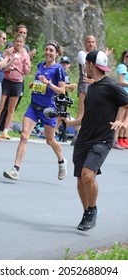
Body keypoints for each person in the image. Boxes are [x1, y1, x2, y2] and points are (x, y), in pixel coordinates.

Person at [62, 50, 128, 231]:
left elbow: (126, 103)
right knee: (80, 180)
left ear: (92, 65)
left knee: (87, 175)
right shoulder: (91, 88)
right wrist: (70, 123)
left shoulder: (112, 86)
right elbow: (86, 117)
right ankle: (86, 212)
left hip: (102, 140)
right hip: (83, 139)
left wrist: (122, 121)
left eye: (86, 65)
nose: (84, 68)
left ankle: (92, 209)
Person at [3, 40, 67, 181]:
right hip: (34, 106)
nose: (48, 52)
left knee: (50, 140)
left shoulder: (58, 69)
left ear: (56, 54)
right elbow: (39, 83)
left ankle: (62, 161)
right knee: (24, 136)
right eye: (47, 49)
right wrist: (35, 84)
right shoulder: (40, 65)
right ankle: (15, 170)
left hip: (48, 109)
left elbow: (62, 90)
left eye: (51, 50)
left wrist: (48, 83)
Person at [0, 24, 36, 131]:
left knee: (12, 106)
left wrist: (27, 59)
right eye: (20, 32)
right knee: (2, 105)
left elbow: (26, 68)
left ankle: (4, 128)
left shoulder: (26, 49)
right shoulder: (10, 45)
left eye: (24, 33)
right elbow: (5, 62)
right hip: (7, 79)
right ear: (16, 33)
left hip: (19, 81)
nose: (22, 34)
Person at [0, 34, 31, 139]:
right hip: (6, 80)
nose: (18, 44)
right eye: (17, 41)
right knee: (0, 106)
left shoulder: (25, 55)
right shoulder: (9, 51)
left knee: (11, 108)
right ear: (14, 42)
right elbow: (3, 67)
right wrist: (12, 64)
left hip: (18, 82)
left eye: (21, 42)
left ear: (23, 44)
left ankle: (5, 131)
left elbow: (27, 72)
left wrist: (24, 64)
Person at [113, 49, 128, 149]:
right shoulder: (122, 66)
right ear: (123, 57)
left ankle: (122, 138)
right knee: (119, 118)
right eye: (127, 56)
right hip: (122, 95)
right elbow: (120, 81)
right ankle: (114, 139)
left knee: (126, 119)